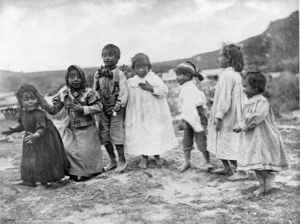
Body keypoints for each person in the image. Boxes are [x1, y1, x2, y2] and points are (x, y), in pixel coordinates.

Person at [39, 65, 103, 182]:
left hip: (86, 127)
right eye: (72, 76)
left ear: (83, 78)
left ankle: (89, 172)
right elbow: (54, 110)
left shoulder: (89, 93)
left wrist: (83, 108)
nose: (75, 79)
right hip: (71, 127)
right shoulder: (65, 93)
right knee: (68, 148)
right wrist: (42, 102)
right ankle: (74, 172)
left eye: (78, 76)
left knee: (85, 152)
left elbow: (99, 107)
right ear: (67, 79)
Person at [2, 85, 70, 189]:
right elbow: (22, 125)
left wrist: (35, 135)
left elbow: (42, 128)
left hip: (44, 138)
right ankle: (28, 180)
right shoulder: (23, 112)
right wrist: (13, 130)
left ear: (37, 99)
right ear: (20, 101)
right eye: (26, 99)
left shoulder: (39, 114)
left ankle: (44, 182)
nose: (31, 102)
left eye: (33, 98)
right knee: (27, 159)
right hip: (31, 137)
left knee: (42, 159)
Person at [233, 71, 289, 195]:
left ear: (255, 88)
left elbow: (257, 117)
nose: (243, 89)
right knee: (255, 164)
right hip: (253, 138)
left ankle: (267, 181)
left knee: (260, 163)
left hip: (262, 138)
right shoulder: (251, 101)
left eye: (245, 86)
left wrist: (243, 125)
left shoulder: (261, 101)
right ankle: (263, 186)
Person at [125, 53, 177, 169]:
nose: (141, 70)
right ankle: (144, 158)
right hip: (140, 114)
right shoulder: (132, 82)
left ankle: (157, 155)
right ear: (134, 68)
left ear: (149, 67)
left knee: (154, 133)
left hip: (154, 114)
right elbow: (125, 93)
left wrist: (152, 88)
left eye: (144, 67)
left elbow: (164, 91)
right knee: (142, 134)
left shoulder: (154, 78)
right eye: (137, 67)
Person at [207, 42, 248, 179]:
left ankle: (241, 170)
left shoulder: (228, 75)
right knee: (223, 141)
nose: (219, 59)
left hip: (228, 114)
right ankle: (227, 168)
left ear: (228, 58)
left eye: (221, 56)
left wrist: (218, 117)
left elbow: (225, 99)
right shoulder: (234, 74)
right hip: (233, 113)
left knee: (227, 141)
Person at [93, 44, 128, 173]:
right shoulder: (98, 73)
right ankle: (112, 160)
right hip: (102, 108)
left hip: (115, 109)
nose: (107, 58)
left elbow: (124, 91)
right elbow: (95, 90)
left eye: (110, 55)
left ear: (117, 58)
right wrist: (95, 101)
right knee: (104, 134)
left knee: (117, 133)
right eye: (104, 55)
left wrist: (119, 104)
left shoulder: (120, 74)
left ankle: (122, 160)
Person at [176, 61, 214, 172]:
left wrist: (198, 122)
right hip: (189, 117)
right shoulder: (185, 87)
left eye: (179, 75)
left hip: (197, 117)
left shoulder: (191, 88)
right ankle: (187, 162)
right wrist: (184, 119)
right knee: (186, 140)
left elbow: (196, 107)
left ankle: (208, 162)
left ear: (187, 76)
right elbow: (185, 106)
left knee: (201, 140)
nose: (177, 78)